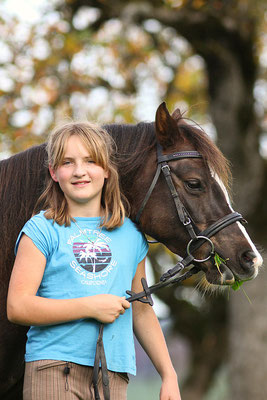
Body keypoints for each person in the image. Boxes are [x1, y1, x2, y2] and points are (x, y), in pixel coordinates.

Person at [7, 121, 181, 400]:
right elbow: (18, 306)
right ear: (54, 172)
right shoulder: (41, 229)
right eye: (67, 162)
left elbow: (142, 310)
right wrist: (90, 306)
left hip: (113, 374)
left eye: (90, 161)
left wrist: (168, 374)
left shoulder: (131, 235)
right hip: (53, 370)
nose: (79, 171)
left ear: (107, 170)